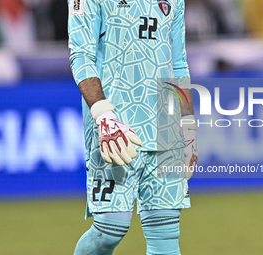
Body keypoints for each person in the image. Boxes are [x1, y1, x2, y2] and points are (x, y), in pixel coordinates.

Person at [68, 0, 198, 254]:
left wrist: (188, 126)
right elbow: (81, 55)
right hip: (115, 126)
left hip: (165, 126)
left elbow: (178, 63)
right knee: (109, 231)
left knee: (166, 235)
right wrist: (103, 115)